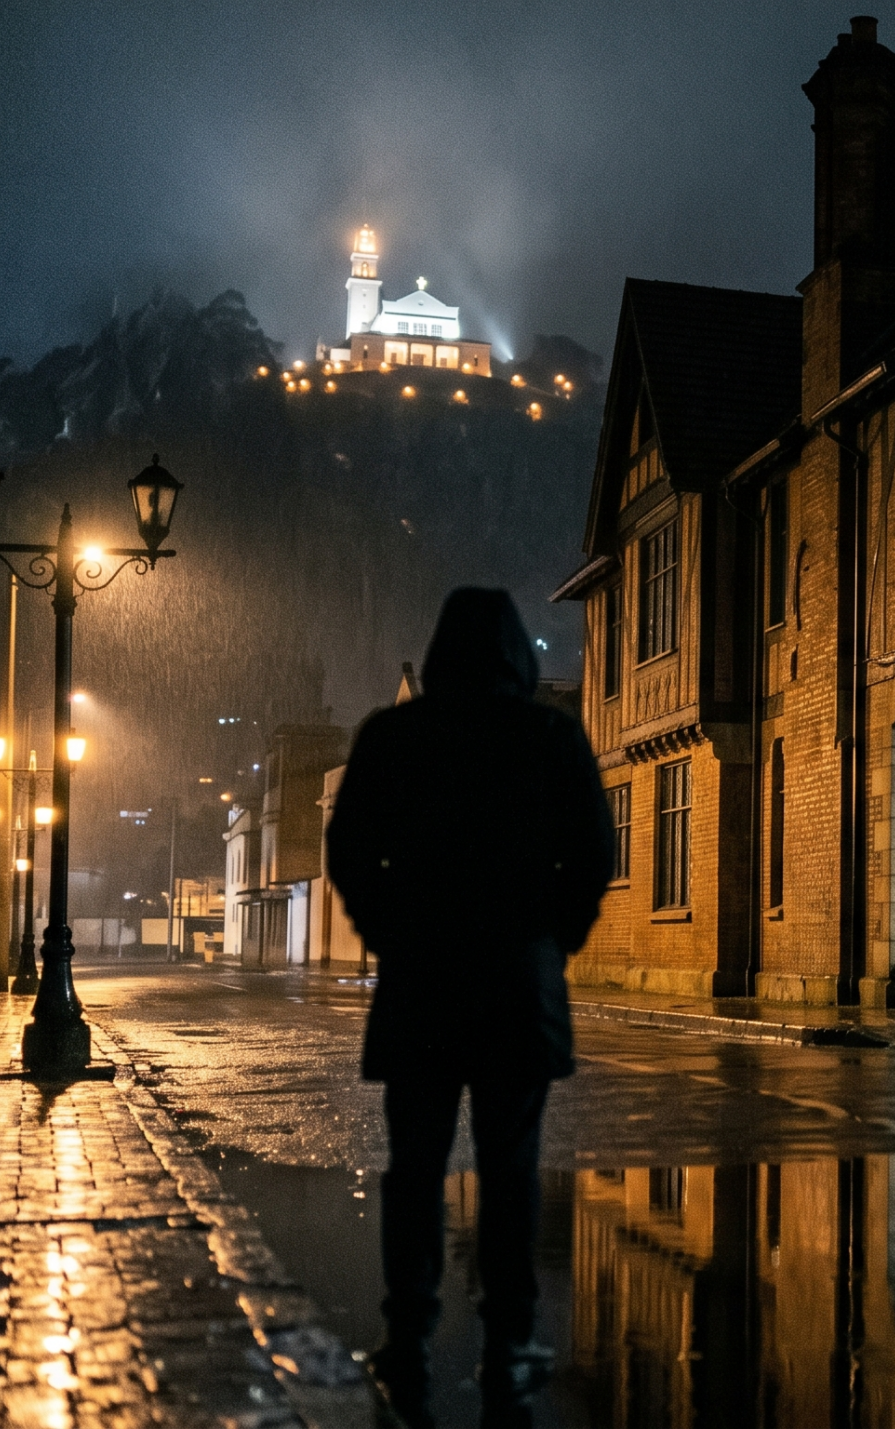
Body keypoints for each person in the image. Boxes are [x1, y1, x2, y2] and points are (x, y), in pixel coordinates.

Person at [327, 588, 611, 1426]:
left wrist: (386, 926)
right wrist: (554, 938)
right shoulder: (550, 736)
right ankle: (510, 1336)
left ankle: (408, 1333)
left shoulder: (392, 736)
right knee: (511, 1164)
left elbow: (348, 849)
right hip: (516, 986)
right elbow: (593, 851)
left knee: (415, 1162)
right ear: (520, 657)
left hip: (420, 980)